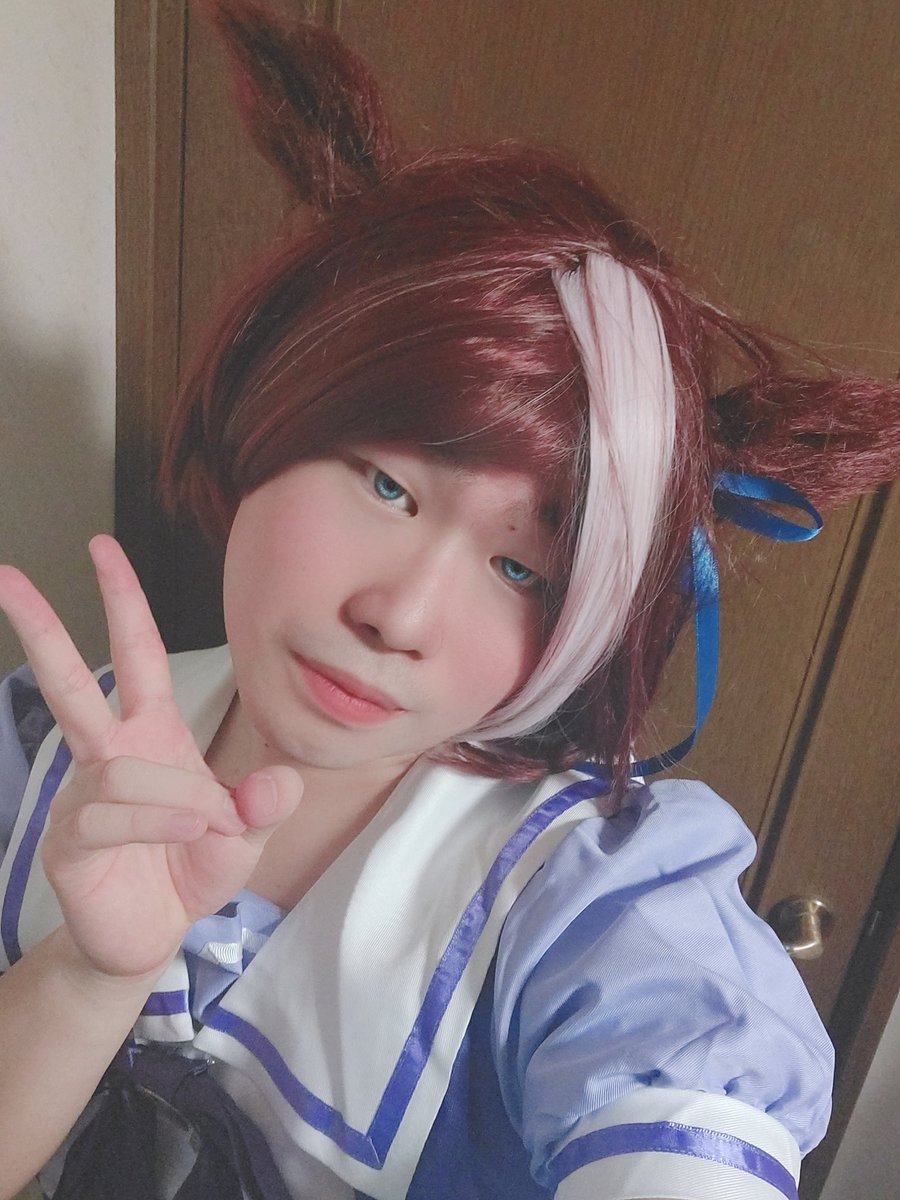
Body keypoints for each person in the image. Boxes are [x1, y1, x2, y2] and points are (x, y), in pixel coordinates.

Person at [1, 3, 898, 1198]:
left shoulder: (595, 904)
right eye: (388, 485)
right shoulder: (51, 752)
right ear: (276, 409)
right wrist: (84, 978)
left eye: (523, 570)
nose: (402, 617)